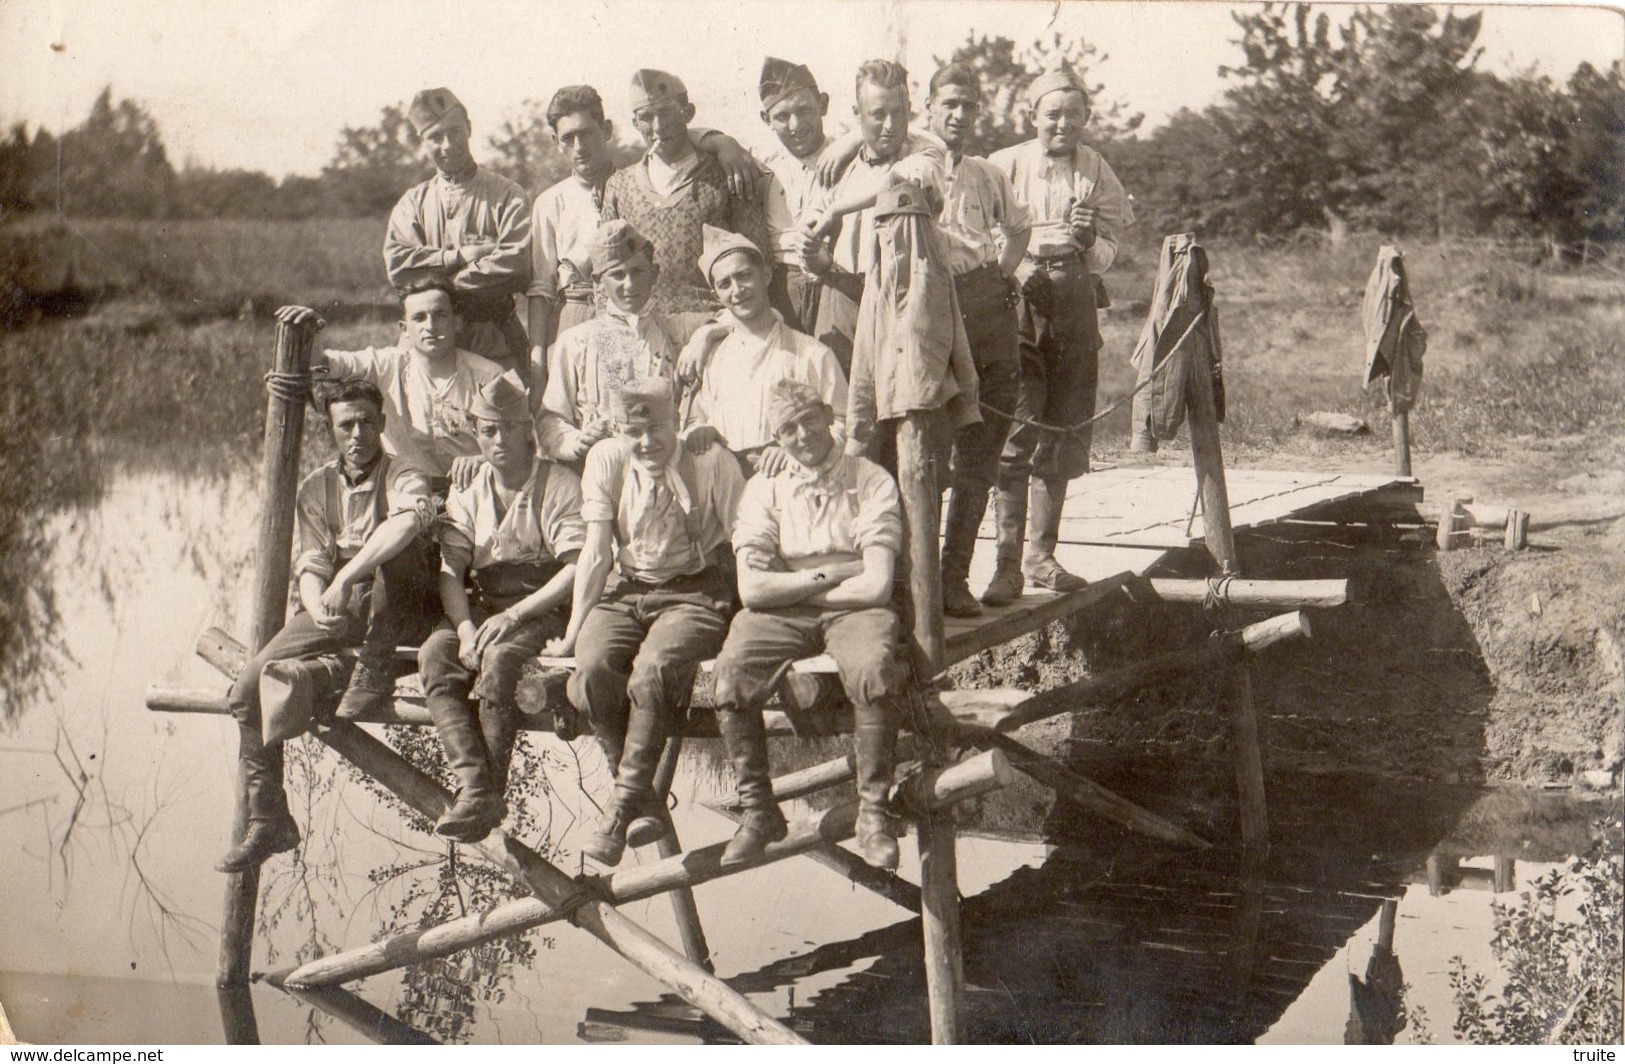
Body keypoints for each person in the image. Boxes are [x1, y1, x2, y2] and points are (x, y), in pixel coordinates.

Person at [276, 281, 503, 721]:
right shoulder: (388, 364)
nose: (431, 326)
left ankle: (403, 647)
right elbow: (322, 365)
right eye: (419, 318)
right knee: (394, 540)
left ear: (457, 321)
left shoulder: (486, 375)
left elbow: (516, 441)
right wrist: (306, 331)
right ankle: (372, 661)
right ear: (404, 327)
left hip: (474, 500)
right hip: (410, 497)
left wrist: (484, 460)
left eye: (440, 315)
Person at [545, 378, 745, 867]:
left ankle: (616, 814)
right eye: (635, 432)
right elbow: (595, 554)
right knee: (590, 672)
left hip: (696, 590)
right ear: (619, 428)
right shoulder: (607, 461)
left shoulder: (710, 460)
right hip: (628, 588)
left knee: (653, 670)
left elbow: (747, 541)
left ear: (676, 420)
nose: (648, 443)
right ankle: (643, 802)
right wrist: (573, 633)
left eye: (657, 429)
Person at [712, 379, 906, 869]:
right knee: (731, 671)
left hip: (853, 608)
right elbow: (752, 590)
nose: (803, 436)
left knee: (874, 667)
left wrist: (795, 581)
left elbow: (877, 586)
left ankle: (874, 814)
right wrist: (829, 573)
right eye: (788, 429)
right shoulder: (764, 489)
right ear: (776, 439)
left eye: (810, 420)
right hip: (787, 608)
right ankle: (758, 812)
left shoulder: (871, 478)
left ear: (827, 415)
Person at [215, 381, 395, 872]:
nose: (357, 433)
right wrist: (316, 605)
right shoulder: (317, 486)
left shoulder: (402, 475)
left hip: (391, 599)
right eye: (345, 425)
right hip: (335, 599)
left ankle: (336, 667)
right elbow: (313, 559)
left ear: (382, 422)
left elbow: (403, 533)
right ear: (332, 430)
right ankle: (270, 817)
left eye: (366, 421)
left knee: (383, 585)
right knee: (246, 689)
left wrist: (347, 581)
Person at [985, 59, 1133, 603]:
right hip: (1020, 300)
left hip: (1073, 299)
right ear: (1032, 117)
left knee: (1064, 427)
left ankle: (1041, 556)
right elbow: (975, 235)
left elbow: (1109, 254)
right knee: (1017, 430)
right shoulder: (1001, 167)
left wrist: (1090, 240)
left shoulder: (1095, 169)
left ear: (1086, 118)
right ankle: (1005, 567)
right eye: (1052, 115)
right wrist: (1015, 264)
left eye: (1073, 114)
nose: (1062, 125)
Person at [416, 371, 586, 842]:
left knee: (501, 657)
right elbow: (451, 570)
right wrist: (466, 630)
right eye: (489, 430)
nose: (500, 439)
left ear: (528, 428)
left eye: (511, 427)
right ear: (476, 432)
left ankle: (491, 789)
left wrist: (515, 615)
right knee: (435, 654)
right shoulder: (469, 489)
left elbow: (577, 567)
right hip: (484, 604)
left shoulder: (559, 482)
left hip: (543, 605)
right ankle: (476, 787)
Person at [527, 85, 763, 389]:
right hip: (576, 311)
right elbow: (541, 288)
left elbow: (669, 135)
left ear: (607, 130)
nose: (579, 147)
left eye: (586, 134)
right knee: (594, 401)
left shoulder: (635, 181)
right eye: (568, 139)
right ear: (556, 143)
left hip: (641, 311)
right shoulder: (551, 201)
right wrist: (538, 363)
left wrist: (722, 141)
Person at [924, 62, 1033, 617]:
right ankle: (915, 586)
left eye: (969, 106)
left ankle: (953, 579)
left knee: (982, 449)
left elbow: (1019, 228)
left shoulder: (988, 174)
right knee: (930, 451)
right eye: (949, 103)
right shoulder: (909, 168)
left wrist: (1004, 278)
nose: (960, 115)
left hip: (986, 304)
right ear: (928, 108)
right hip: (932, 311)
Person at [796, 59, 949, 372]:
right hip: (842, 301)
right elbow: (816, 258)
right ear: (857, 114)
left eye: (899, 112)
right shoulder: (838, 169)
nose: (891, 125)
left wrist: (839, 207)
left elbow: (901, 184)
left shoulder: (925, 154)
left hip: (904, 305)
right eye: (878, 114)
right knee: (840, 408)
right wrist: (811, 250)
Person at [600, 69, 770, 344]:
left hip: (719, 330)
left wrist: (725, 327)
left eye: (666, 112)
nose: (657, 126)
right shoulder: (620, 185)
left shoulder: (727, 173)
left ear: (687, 112)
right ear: (634, 122)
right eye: (646, 116)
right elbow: (605, 275)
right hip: (646, 338)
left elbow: (758, 262)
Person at [385, 88, 533, 376]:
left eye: (454, 132)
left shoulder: (507, 194)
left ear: (469, 127)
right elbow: (399, 269)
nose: (448, 144)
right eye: (435, 137)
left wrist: (436, 284)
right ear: (422, 142)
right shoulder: (412, 204)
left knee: (503, 413)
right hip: (427, 339)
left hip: (492, 336)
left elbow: (516, 265)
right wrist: (460, 256)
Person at [679, 224, 847, 475]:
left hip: (793, 480)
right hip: (728, 485)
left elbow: (843, 424)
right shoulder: (711, 357)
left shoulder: (811, 354)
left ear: (766, 275)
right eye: (725, 284)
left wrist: (796, 450)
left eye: (744, 276)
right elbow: (693, 422)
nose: (737, 291)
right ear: (717, 296)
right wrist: (701, 433)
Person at [537, 221, 680, 463]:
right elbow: (551, 420)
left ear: (654, 273)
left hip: (663, 461)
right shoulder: (577, 341)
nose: (629, 285)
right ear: (597, 280)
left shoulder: (675, 334)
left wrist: (707, 335)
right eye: (617, 274)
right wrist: (577, 440)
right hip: (602, 467)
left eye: (638, 272)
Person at [753, 57, 841, 335]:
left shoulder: (849, 157)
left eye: (805, 110)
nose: (795, 124)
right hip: (781, 291)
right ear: (766, 119)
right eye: (781, 116)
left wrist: (856, 139)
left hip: (838, 286)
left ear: (823, 104)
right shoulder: (761, 167)